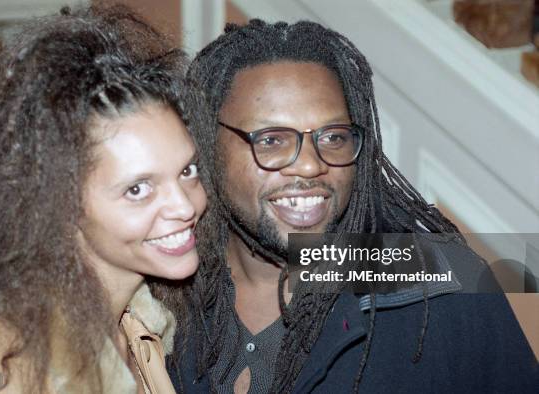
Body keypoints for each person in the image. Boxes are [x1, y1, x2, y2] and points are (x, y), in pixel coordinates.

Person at [172, 19, 538, 393]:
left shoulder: (442, 293)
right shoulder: (158, 290)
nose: (312, 164)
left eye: (333, 137)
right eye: (271, 140)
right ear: (206, 144)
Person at [0, 5, 206, 393]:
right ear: (58, 205)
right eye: (138, 189)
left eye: (187, 171)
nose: (186, 206)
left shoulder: (140, 326)